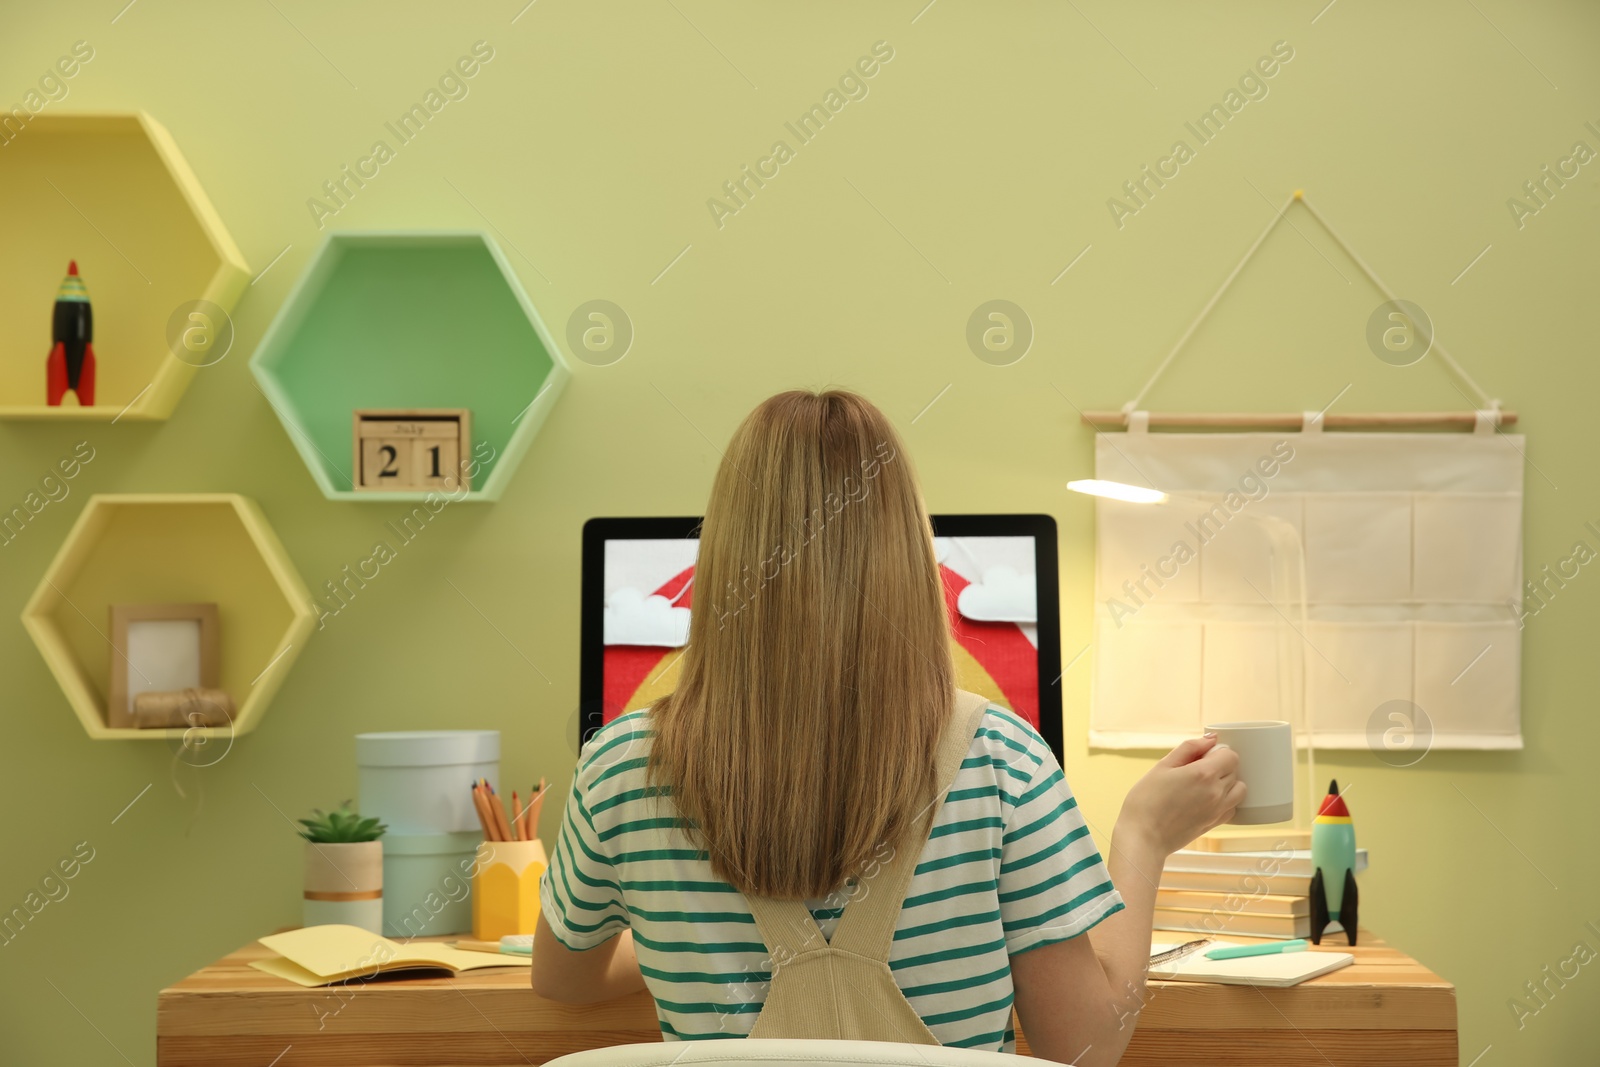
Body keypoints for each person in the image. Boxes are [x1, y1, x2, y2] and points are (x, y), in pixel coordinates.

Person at [533, 389, 1242, 1064]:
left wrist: (678, 936)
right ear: (908, 556)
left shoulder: (620, 771)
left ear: (722, 558)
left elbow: (561, 978)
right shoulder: (1004, 763)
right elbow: (1085, 1047)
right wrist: (1143, 836)